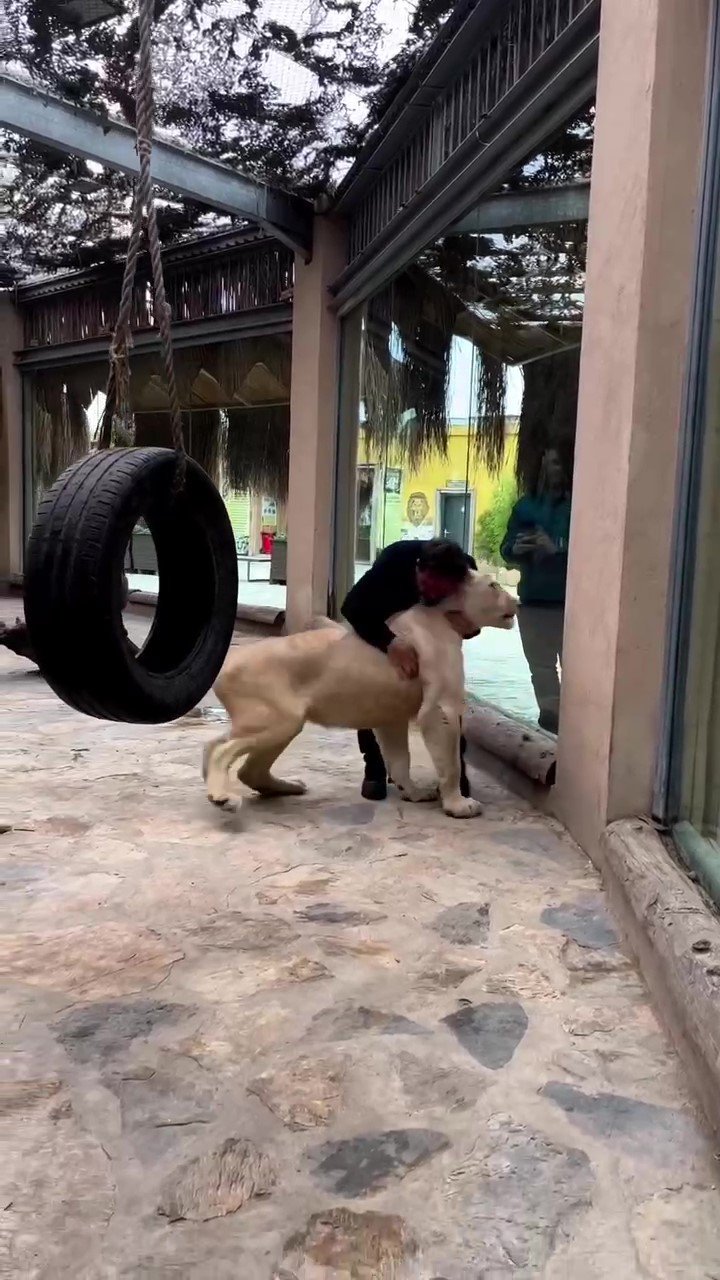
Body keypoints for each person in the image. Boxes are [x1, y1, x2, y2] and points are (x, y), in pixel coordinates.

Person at [341, 537, 476, 800]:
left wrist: (470, 627)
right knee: (375, 695)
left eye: (440, 592)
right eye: (426, 586)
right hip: (383, 627)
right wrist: (389, 642)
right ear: (418, 567)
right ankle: (375, 767)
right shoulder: (395, 559)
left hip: (433, 644)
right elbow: (352, 607)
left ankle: (454, 774)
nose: (431, 595)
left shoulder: (468, 574)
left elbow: (477, 616)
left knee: (448, 702)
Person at [501, 447, 570, 733]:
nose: (552, 468)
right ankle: (552, 723)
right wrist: (515, 549)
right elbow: (506, 549)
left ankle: (577, 729)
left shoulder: (582, 504)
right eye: (548, 461)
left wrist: (558, 550)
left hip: (571, 605)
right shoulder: (525, 506)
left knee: (577, 671)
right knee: (540, 670)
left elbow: (600, 551)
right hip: (533, 600)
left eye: (557, 462)